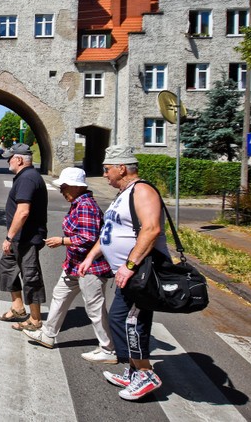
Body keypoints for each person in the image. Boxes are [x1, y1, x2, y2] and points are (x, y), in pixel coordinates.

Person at [78, 145, 169, 401]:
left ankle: (145, 373)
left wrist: (130, 265)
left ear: (121, 168)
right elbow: (109, 233)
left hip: (140, 274)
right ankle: (133, 370)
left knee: (128, 322)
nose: (104, 174)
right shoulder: (124, 193)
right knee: (123, 320)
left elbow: (151, 230)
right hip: (126, 273)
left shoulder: (142, 190)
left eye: (107, 169)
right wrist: (91, 256)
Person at [23, 167, 116, 363]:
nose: (61, 190)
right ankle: (48, 334)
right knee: (60, 295)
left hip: (90, 267)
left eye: (64, 186)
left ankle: (108, 349)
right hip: (75, 265)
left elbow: (89, 238)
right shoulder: (78, 202)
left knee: (94, 308)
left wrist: (62, 241)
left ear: (75, 187)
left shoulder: (85, 206)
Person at [0, 143, 47, 331]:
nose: (8, 162)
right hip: (18, 238)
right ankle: (18, 307)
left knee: (30, 276)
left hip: (26, 238)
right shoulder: (24, 177)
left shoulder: (27, 179)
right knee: (7, 268)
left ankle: (35, 319)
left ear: (18, 159)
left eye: (10, 158)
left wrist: (9, 238)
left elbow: (23, 211)